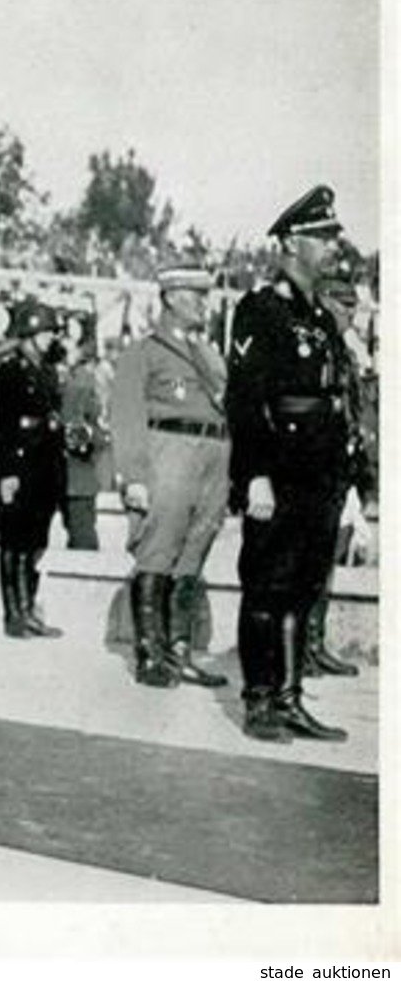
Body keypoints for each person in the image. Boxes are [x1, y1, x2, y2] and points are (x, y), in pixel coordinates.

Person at [225, 184, 351, 743]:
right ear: (292, 243)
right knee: (266, 587)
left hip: (321, 475)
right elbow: (246, 399)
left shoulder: (323, 320)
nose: (333, 249)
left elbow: (336, 399)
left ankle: (291, 698)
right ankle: (258, 702)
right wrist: (254, 475)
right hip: (277, 473)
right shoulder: (261, 310)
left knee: (304, 588)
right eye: (323, 239)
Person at [109, 264, 231, 689]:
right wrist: (134, 476)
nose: (203, 303)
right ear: (172, 298)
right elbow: (126, 414)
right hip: (170, 451)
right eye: (195, 295)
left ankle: (180, 653)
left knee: (193, 553)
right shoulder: (145, 352)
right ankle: (149, 654)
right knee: (158, 550)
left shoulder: (208, 353)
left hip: (214, 455)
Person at [301, 259, 372, 678]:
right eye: (344, 308)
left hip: (340, 466)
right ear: (326, 304)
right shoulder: (313, 346)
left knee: (329, 553)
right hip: (312, 464)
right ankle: (300, 648)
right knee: (307, 560)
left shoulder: (344, 349)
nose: (351, 316)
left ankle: (315, 640)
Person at [0, 301, 66, 640]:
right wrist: (7, 472)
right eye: (46, 332)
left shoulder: (47, 370)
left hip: (45, 465)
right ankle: (14, 614)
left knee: (36, 540)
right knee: (14, 542)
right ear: (30, 333)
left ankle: (28, 609)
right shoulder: (11, 371)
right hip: (20, 464)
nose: (51, 338)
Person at [59, 339, 105, 551]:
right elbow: (74, 429)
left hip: (79, 474)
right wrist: (97, 439)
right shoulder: (81, 386)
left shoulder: (77, 384)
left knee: (81, 531)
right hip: (78, 474)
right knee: (84, 538)